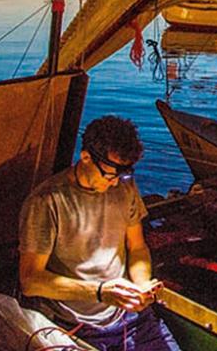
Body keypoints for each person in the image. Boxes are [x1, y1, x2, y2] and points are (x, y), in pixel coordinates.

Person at [19, 116, 176, 351]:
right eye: (110, 175)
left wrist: (141, 285)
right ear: (86, 157)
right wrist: (100, 292)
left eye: (122, 175)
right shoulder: (46, 201)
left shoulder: (125, 186)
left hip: (130, 319)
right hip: (74, 325)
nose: (115, 184)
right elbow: (30, 281)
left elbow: (137, 247)